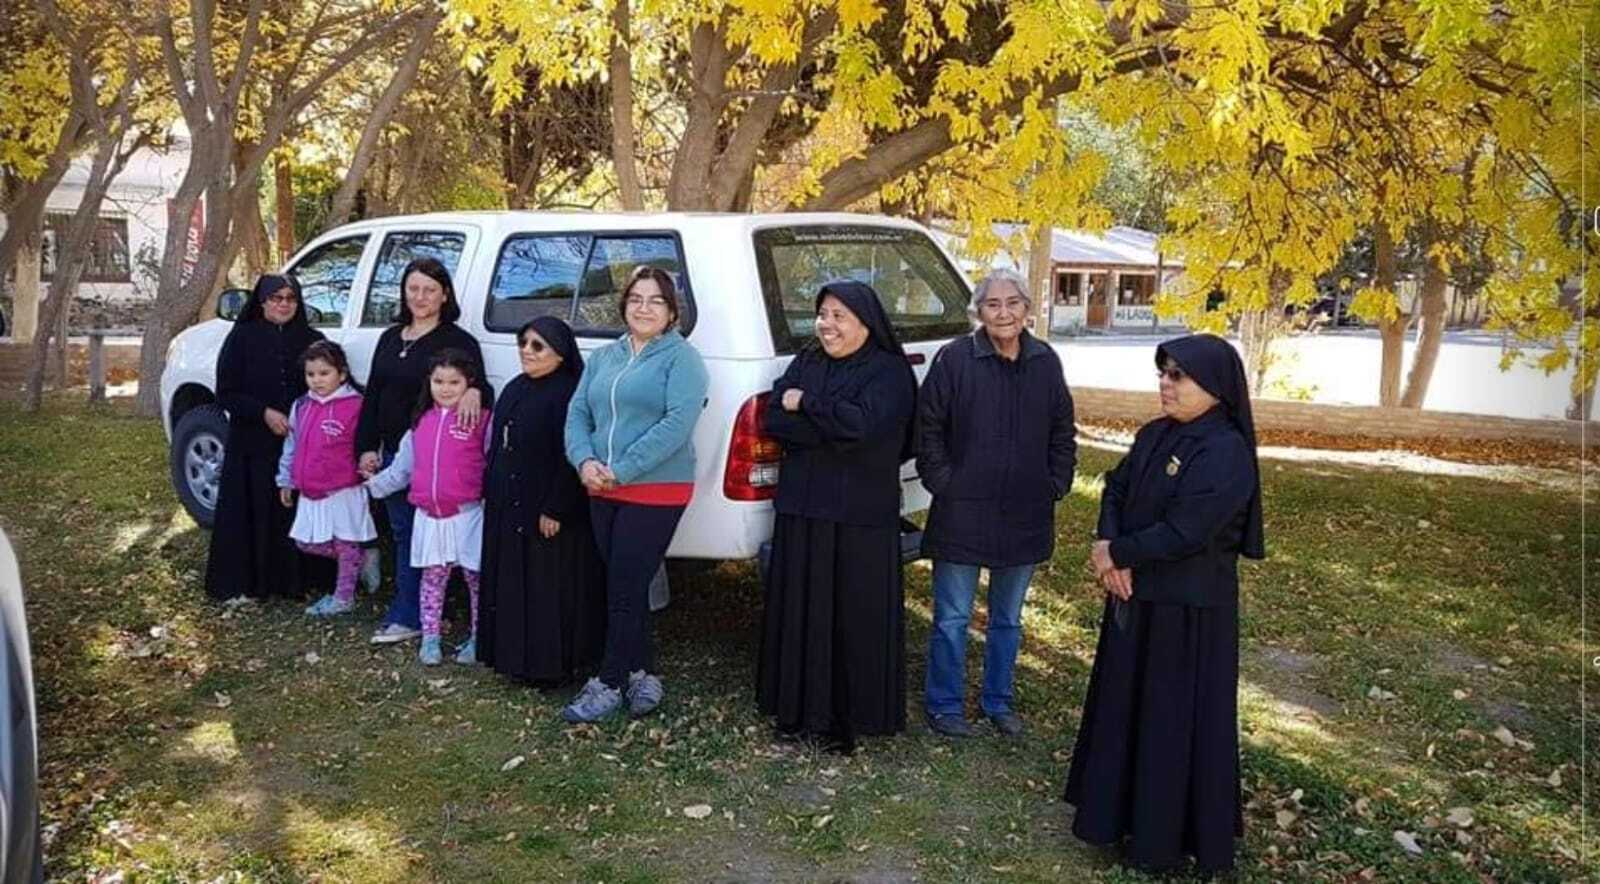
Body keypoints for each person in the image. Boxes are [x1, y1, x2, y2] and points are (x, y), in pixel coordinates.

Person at [1063, 333, 1266, 876]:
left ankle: (1163, 837)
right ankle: (1116, 817)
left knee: (1173, 723)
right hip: (1139, 598)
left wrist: (1118, 553)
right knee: (1128, 710)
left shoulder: (1225, 452)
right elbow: (1115, 488)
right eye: (1163, 373)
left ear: (1216, 388)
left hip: (1187, 612)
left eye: (1179, 376)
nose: (1166, 385)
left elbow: (1187, 530)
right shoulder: (1154, 434)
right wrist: (1110, 549)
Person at [755, 280, 917, 754]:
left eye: (838, 315)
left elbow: (864, 427)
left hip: (859, 517)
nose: (826, 325)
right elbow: (773, 417)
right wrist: (830, 424)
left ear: (866, 322)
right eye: (822, 314)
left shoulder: (888, 372)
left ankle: (844, 720)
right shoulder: (807, 361)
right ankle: (795, 711)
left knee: (851, 616)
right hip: (803, 508)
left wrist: (807, 405)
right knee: (800, 611)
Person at [916, 269, 1076, 738]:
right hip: (962, 510)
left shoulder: (1045, 360)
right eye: (992, 305)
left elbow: (1062, 430)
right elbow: (928, 429)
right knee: (952, 618)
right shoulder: (955, 360)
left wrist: (1056, 482)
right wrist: (944, 482)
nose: (1003, 313)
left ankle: (997, 702)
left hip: (1025, 511)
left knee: (1007, 620)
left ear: (1027, 309)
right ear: (978, 312)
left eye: (1012, 304)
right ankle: (944, 706)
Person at [561, 266, 709, 722]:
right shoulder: (605, 356)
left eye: (656, 301)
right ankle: (643, 672)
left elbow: (676, 426)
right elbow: (577, 414)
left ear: (671, 312)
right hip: (601, 485)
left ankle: (606, 683)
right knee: (627, 584)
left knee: (623, 586)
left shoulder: (683, 359)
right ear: (624, 305)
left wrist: (621, 470)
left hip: (656, 488)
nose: (644, 308)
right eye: (636, 299)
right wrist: (584, 461)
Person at [356, 258, 493, 646]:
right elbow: (373, 397)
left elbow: (479, 389)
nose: (420, 297)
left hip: (436, 460)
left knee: (423, 538)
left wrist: (474, 390)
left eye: (429, 290)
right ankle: (419, 610)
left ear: (444, 294)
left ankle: (411, 614)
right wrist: (366, 447)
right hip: (395, 453)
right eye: (413, 289)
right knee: (406, 535)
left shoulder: (457, 341)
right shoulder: (390, 337)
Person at [480, 318, 605, 686]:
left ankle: (551, 667)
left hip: (548, 510)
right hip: (510, 503)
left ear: (561, 354)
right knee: (515, 583)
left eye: (538, 346)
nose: (526, 351)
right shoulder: (516, 387)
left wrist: (556, 507)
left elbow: (574, 455)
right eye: (524, 342)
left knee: (549, 588)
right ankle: (514, 660)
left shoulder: (569, 393)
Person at [364, 350, 493, 666]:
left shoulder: (482, 421)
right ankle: (431, 638)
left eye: (454, 382)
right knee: (433, 579)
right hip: (430, 518)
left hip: (468, 516)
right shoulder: (419, 423)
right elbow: (403, 470)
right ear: (429, 383)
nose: (446, 388)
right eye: (438, 381)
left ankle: (479, 640)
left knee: (476, 581)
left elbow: (494, 465)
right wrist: (373, 485)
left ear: (469, 384)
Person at [202, 274, 325, 602]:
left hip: (299, 442)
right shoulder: (241, 337)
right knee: (254, 508)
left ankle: (295, 581)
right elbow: (226, 393)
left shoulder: (312, 339)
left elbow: (334, 383)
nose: (283, 304)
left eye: (290, 298)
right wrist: (264, 414)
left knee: (292, 509)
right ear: (262, 302)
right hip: (253, 442)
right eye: (276, 298)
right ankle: (254, 582)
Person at [275, 341, 379, 616]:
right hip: (309, 490)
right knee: (305, 542)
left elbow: (369, 443)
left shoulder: (357, 405)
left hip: (343, 489)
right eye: (311, 374)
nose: (317, 380)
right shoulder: (301, 405)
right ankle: (363, 555)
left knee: (345, 543)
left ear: (341, 374)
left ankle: (343, 598)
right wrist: (285, 479)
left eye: (324, 373)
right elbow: (291, 445)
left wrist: (369, 468)